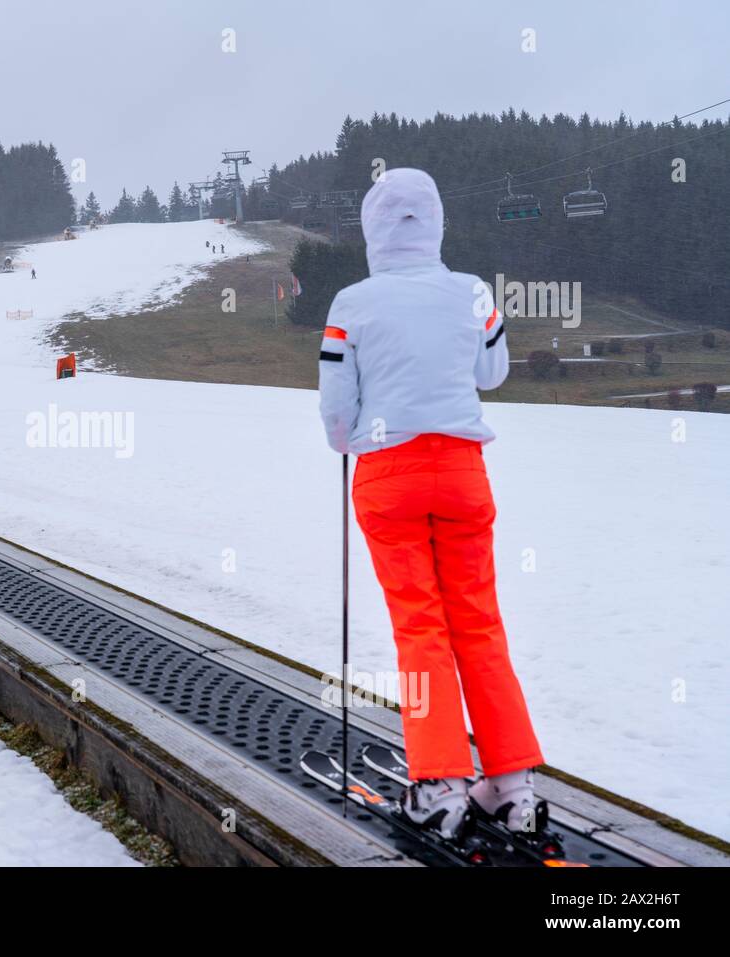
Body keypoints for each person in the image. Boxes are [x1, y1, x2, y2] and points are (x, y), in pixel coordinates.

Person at [317, 168, 540, 840]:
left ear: (372, 231)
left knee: (421, 627)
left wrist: (349, 439)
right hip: (462, 471)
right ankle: (509, 784)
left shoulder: (351, 304)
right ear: (436, 223)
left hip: (389, 476)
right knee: (479, 622)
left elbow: (336, 411)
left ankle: (438, 785)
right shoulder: (471, 293)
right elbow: (492, 373)